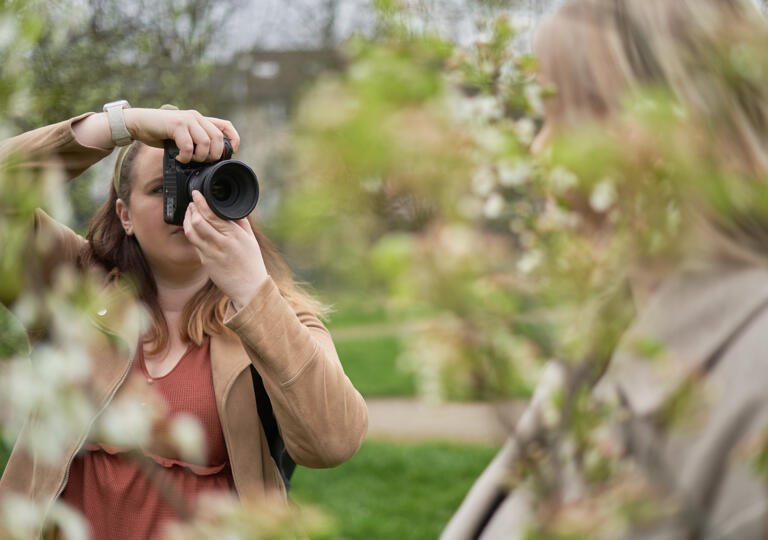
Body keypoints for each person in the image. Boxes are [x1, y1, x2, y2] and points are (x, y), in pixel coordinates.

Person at [442, 0, 768, 538]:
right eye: (543, 114)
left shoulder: (751, 378)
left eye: (569, 111)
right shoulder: (606, 337)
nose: (539, 150)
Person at [0, 105, 368, 538]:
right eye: (163, 188)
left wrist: (251, 289)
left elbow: (333, 443)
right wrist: (123, 125)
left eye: (204, 184)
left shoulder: (277, 315)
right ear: (125, 215)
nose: (190, 203)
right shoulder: (73, 285)